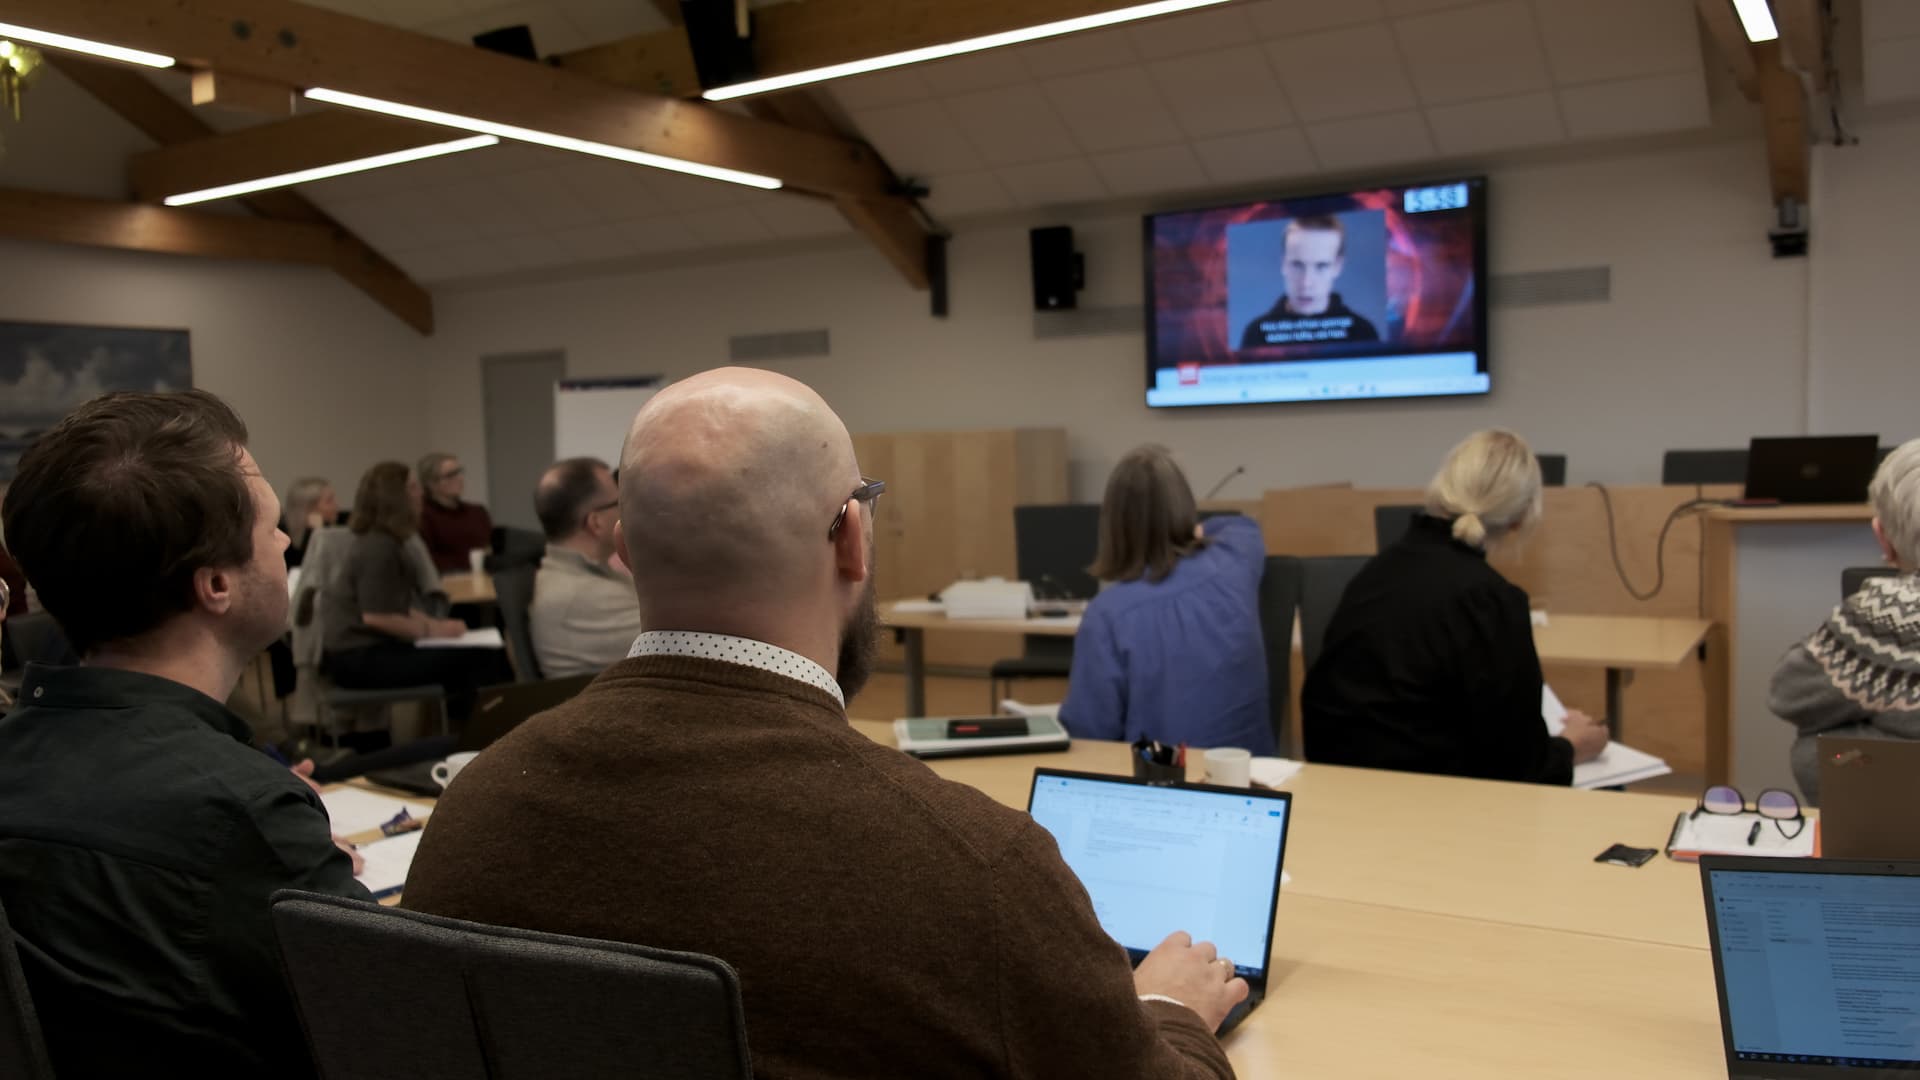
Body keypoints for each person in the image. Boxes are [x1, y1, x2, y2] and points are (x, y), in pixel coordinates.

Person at [404, 368, 1243, 1079]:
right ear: (852, 541)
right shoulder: (976, 871)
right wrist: (1171, 1012)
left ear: (624, 548)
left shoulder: (470, 820)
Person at [0, 389, 369, 1076]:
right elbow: (389, 1032)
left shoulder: (13, 757)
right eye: (271, 526)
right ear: (217, 585)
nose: (287, 541)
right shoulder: (244, 815)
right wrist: (275, 834)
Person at [1302, 430, 1607, 784]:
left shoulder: (1378, 570)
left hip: (1335, 784)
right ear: (1521, 517)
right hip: (1434, 801)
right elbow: (1520, 767)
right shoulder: (1489, 598)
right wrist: (1573, 745)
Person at [1059, 445, 1272, 753]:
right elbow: (1241, 526)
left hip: (1159, 783)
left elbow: (1090, 731)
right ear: (1186, 505)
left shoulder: (1108, 614)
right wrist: (1188, 531)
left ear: (1113, 522)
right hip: (1250, 774)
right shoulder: (1235, 561)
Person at [1772, 439, 1920, 802]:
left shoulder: (1888, 615)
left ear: (1883, 538)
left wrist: (1850, 741)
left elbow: (1788, 694)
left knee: (1824, 751)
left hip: (1889, 844)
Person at [320, 462, 511, 735]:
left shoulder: (385, 541)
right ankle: (481, 741)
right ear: (395, 498)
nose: (420, 494)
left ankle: (475, 737)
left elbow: (398, 607)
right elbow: (377, 617)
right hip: (357, 658)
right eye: (412, 488)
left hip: (368, 651)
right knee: (480, 660)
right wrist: (434, 629)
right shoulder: (378, 547)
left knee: (485, 654)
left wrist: (437, 628)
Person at [528, 457, 643, 677]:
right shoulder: (583, 596)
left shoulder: (577, 576)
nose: (625, 510)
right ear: (595, 522)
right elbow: (685, 644)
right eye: (618, 502)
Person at [1238, 214, 1380, 350]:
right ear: (1283, 264)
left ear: (1338, 267)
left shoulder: (1363, 332)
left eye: (1321, 266)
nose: (1306, 283)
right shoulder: (1255, 334)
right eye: (1297, 265)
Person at [416, 451, 493, 573]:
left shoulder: (477, 512)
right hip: (448, 582)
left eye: (459, 472)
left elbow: (489, 550)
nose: (459, 478)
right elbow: (428, 561)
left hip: (484, 579)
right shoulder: (423, 516)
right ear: (431, 483)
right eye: (451, 475)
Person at [281, 475, 341, 568]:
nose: (336, 505)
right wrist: (314, 532)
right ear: (309, 508)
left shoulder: (334, 531)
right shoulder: (282, 535)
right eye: (329, 501)